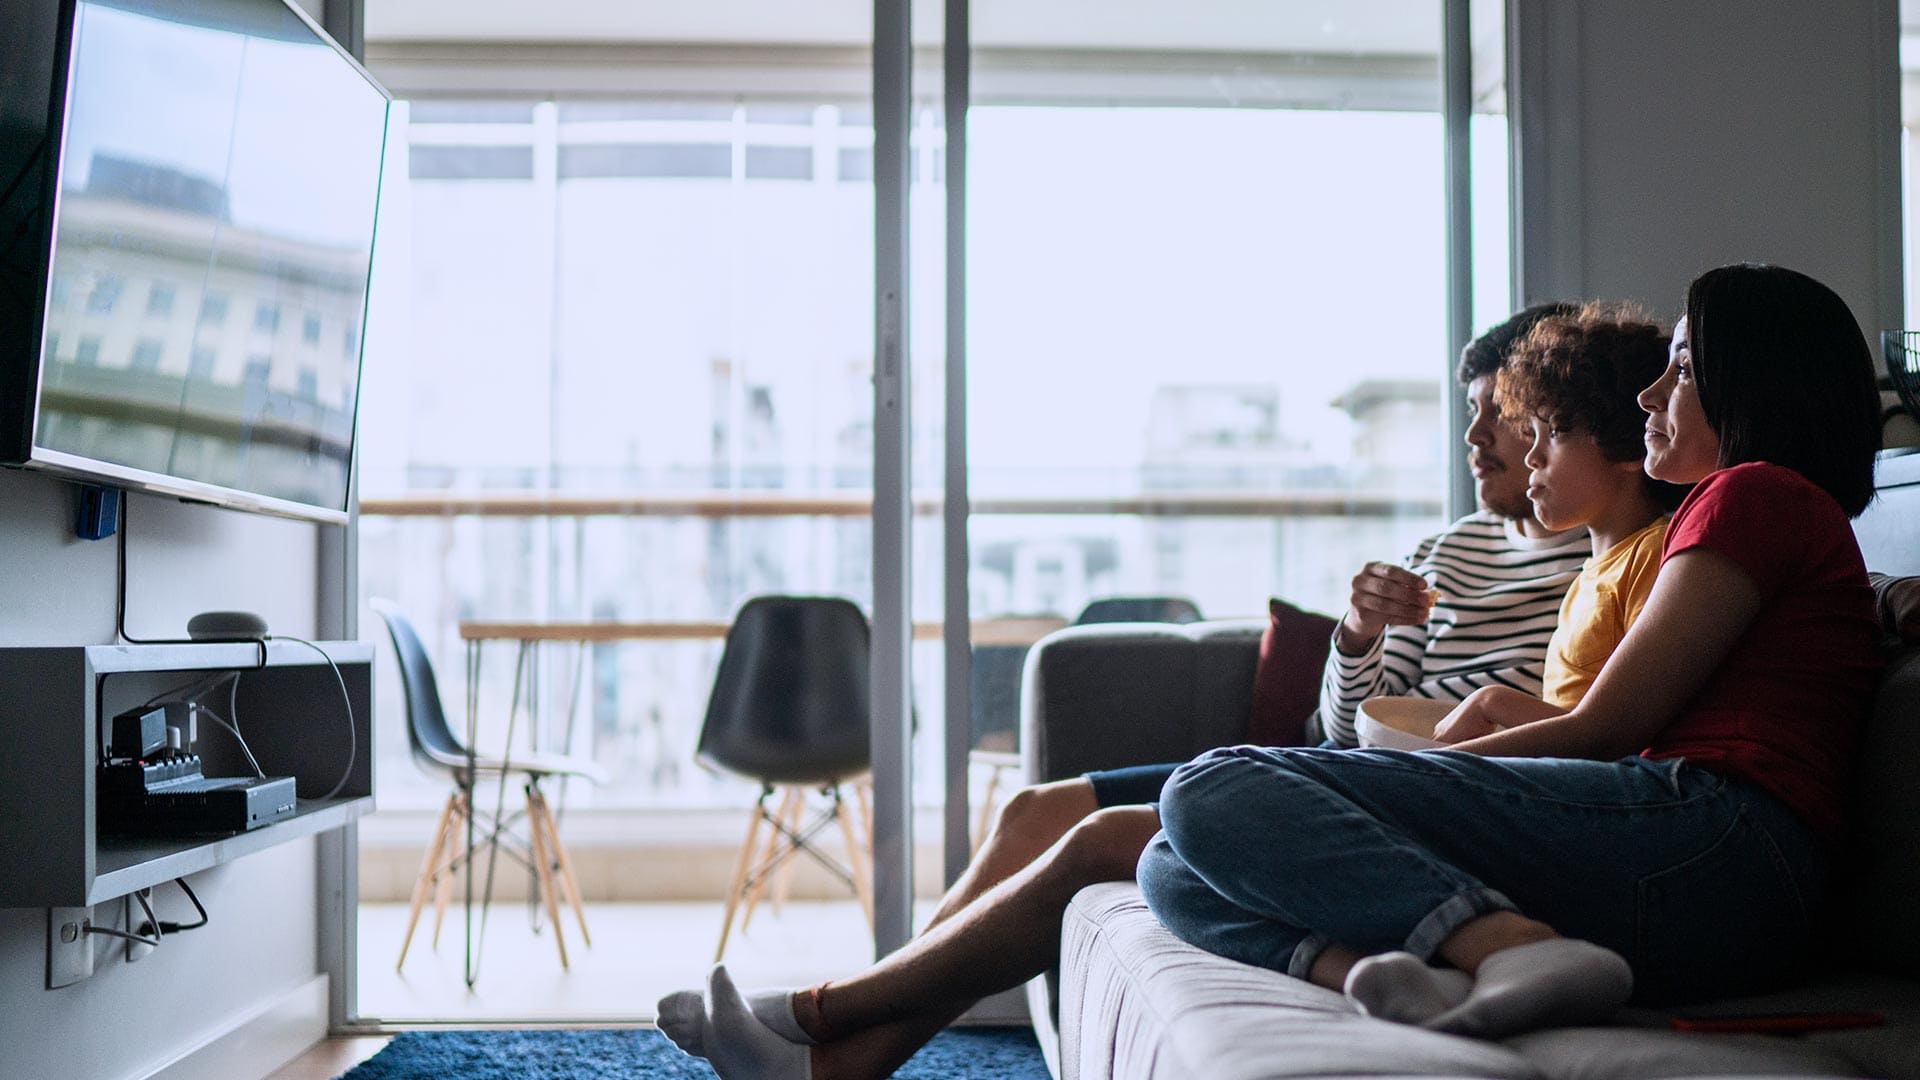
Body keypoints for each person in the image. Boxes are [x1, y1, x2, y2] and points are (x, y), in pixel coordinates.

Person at [651, 302, 1599, 1080]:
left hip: (1390, 794)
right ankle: (854, 1032)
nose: (1475, 438)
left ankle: (828, 1030)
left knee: (1100, 840)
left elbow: (1568, 724)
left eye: (1500, 415)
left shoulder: (1598, 563)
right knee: (1033, 806)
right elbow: (1341, 726)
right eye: (1469, 413)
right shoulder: (1447, 548)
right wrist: (1354, 636)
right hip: (1334, 765)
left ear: (1554, 418)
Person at [1134, 263, 1885, 1040]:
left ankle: (1508, 945)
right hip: (1704, 872)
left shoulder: (1751, 494)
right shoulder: (1761, 513)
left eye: (1685, 367)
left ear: (1758, 384)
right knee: (1169, 864)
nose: (1650, 394)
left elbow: (1607, 727)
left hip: (1718, 844)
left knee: (1210, 786)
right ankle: (1410, 970)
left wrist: (1391, 776)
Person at [1429, 302, 1688, 736]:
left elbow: (1629, 734)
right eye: (1534, 432)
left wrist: (1492, 704)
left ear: (1627, 446)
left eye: (1557, 431)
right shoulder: (1591, 576)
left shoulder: (1653, 558)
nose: (1533, 455)